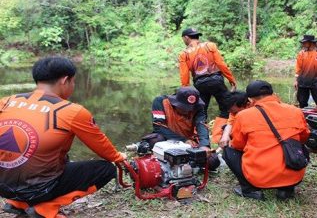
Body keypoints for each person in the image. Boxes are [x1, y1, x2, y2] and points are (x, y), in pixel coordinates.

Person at [0, 56, 125, 218]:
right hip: (38, 190)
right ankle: (45, 208)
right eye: (73, 82)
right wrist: (118, 156)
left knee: (60, 156)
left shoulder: (6, 101)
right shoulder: (72, 111)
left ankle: (17, 203)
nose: (73, 86)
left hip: (2, 187)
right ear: (65, 80)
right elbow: (104, 149)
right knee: (106, 169)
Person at [223, 80, 310, 201]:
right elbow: (304, 137)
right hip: (294, 174)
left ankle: (251, 190)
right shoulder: (296, 111)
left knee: (228, 151)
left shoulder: (244, 116)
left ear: (250, 100)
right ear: (272, 93)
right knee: (299, 146)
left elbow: (238, 145)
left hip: (259, 177)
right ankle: (286, 189)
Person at [151, 86, 220, 170]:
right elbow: (158, 127)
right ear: (175, 101)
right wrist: (183, 140)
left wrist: (204, 145)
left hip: (189, 142)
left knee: (213, 161)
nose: (187, 111)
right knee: (155, 139)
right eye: (183, 107)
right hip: (166, 139)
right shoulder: (160, 102)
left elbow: (201, 125)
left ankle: (189, 163)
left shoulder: (198, 107)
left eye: (190, 108)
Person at [178, 28, 236, 120]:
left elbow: (184, 76)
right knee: (226, 107)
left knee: (201, 111)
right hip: (216, 80)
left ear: (186, 37)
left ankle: (202, 132)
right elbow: (221, 64)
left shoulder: (183, 54)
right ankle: (222, 129)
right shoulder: (210, 46)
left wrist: (186, 91)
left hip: (200, 84)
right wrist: (231, 80)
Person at [294, 35, 317, 108]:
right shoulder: (301, 53)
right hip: (302, 82)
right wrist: (296, 80)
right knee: (302, 102)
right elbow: (298, 68)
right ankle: (303, 116)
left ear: (311, 43)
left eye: (305, 42)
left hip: (316, 82)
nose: (303, 44)